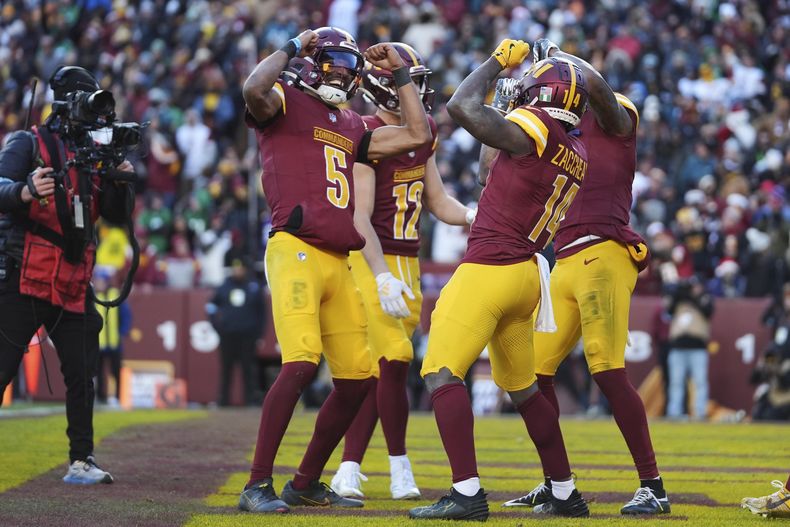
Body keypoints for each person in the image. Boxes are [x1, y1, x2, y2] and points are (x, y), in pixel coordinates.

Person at [238, 27, 431, 514]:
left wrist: (402, 74)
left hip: (339, 259)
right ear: (309, 62)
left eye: (350, 66)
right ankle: (256, 484)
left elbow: (417, 134)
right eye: (333, 63)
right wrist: (289, 45)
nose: (342, 74)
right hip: (296, 249)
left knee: (358, 379)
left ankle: (304, 483)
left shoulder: (350, 122)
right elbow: (253, 90)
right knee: (302, 362)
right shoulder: (284, 102)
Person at [408, 40, 590, 521]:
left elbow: (461, 106)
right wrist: (508, 109)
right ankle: (565, 492)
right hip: (527, 276)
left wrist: (496, 64)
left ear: (543, 96)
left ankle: (467, 493)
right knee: (525, 390)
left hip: (490, 269)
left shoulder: (538, 127)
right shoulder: (575, 149)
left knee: (440, 373)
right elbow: (493, 168)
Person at [502, 40, 669, 515]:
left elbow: (600, 94)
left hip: (604, 251)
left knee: (605, 368)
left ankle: (652, 486)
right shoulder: (554, 133)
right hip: (563, 260)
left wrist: (561, 61)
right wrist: (512, 101)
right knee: (534, 373)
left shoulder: (617, 117)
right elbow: (488, 169)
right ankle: (558, 484)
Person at [329, 42, 476, 501]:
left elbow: (437, 201)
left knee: (382, 372)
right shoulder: (367, 134)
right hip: (371, 258)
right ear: (382, 86)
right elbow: (360, 218)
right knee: (395, 359)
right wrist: (379, 274)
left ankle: (348, 468)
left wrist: (474, 216)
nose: (418, 89)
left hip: (407, 260)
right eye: (408, 80)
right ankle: (398, 466)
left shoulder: (423, 131)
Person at [0, 66, 134, 484]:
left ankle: (82, 460)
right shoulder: (28, 142)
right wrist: (23, 190)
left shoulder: (96, 152)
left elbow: (114, 214)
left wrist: (120, 181)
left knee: (82, 375)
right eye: (88, 102)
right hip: (25, 275)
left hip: (73, 281)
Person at [206, 258, 265, 406]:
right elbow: (211, 306)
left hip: (247, 336)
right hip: (228, 335)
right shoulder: (224, 286)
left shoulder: (254, 286)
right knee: (226, 369)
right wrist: (217, 327)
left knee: (248, 369)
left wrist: (258, 334)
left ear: (245, 269)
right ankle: (223, 400)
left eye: (240, 268)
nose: (237, 271)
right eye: (235, 268)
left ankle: (251, 400)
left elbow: (262, 313)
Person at [666, 276, 714, 419]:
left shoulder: (705, 299)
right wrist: (680, 292)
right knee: (676, 382)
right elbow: (669, 308)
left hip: (698, 348)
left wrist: (692, 296)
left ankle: (700, 413)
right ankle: (674, 413)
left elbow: (708, 311)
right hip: (678, 347)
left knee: (700, 382)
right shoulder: (679, 300)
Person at [94, 271, 132, 407]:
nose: (98, 284)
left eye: (101, 281)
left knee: (116, 371)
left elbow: (126, 316)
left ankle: (118, 396)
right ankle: (100, 396)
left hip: (114, 342)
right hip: (98, 343)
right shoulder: (94, 297)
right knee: (97, 372)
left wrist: (122, 332)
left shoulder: (115, 295)